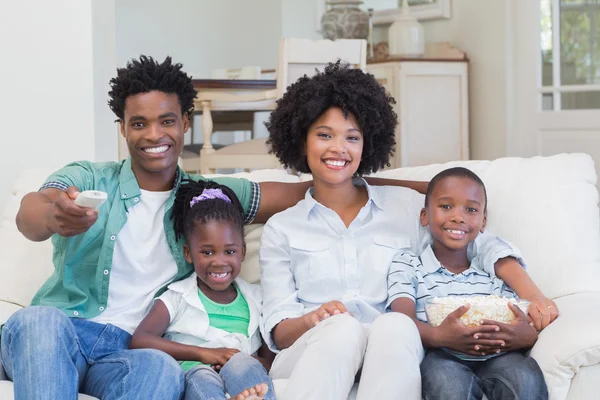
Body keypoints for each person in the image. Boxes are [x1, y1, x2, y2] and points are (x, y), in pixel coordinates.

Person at [0, 55, 427, 400]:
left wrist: (441, 190)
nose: (154, 135)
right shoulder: (89, 177)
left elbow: (323, 184)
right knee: (40, 321)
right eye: (138, 123)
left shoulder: (212, 199)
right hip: (64, 332)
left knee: (160, 370)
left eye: (167, 121)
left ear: (185, 123)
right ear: (122, 129)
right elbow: (31, 215)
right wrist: (55, 215)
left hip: (130, 349)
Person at [259, 61, 552, 400]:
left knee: (396, 323)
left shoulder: (405, 207)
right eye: (324, 135)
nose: (338, 148)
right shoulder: (282, 228)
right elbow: (279, 332)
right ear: (300, 140)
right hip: (313, 350)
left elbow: (475, 243)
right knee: (342, 329)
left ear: (366, 145)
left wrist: (536, 298)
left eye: (352, 138)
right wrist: (314, 318)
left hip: (390, 348)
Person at [387, 167, 549, 400]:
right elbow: (402, 320)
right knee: (447, 386)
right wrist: (439, 336)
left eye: (470, 209)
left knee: (524, 378)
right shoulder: (408, 264)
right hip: (441, 354)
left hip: (499, 355)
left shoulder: (493, 270)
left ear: (483, 222)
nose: (458, 217)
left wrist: (529, 336)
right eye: (445, 206)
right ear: (425, 216)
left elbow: (519, 318)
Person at [130, 179, 275, 400]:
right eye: (207, 252)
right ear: (188, 253)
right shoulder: (177, 297)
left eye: (229, 252)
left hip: (239, 369)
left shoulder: (256, 299)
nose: (219, 262)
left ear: (243, 252)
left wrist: (244, 360)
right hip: (194, 369)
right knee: (202, 377)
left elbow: (269, 358)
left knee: (244, 365)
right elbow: (140, 339)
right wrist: (205, 354)